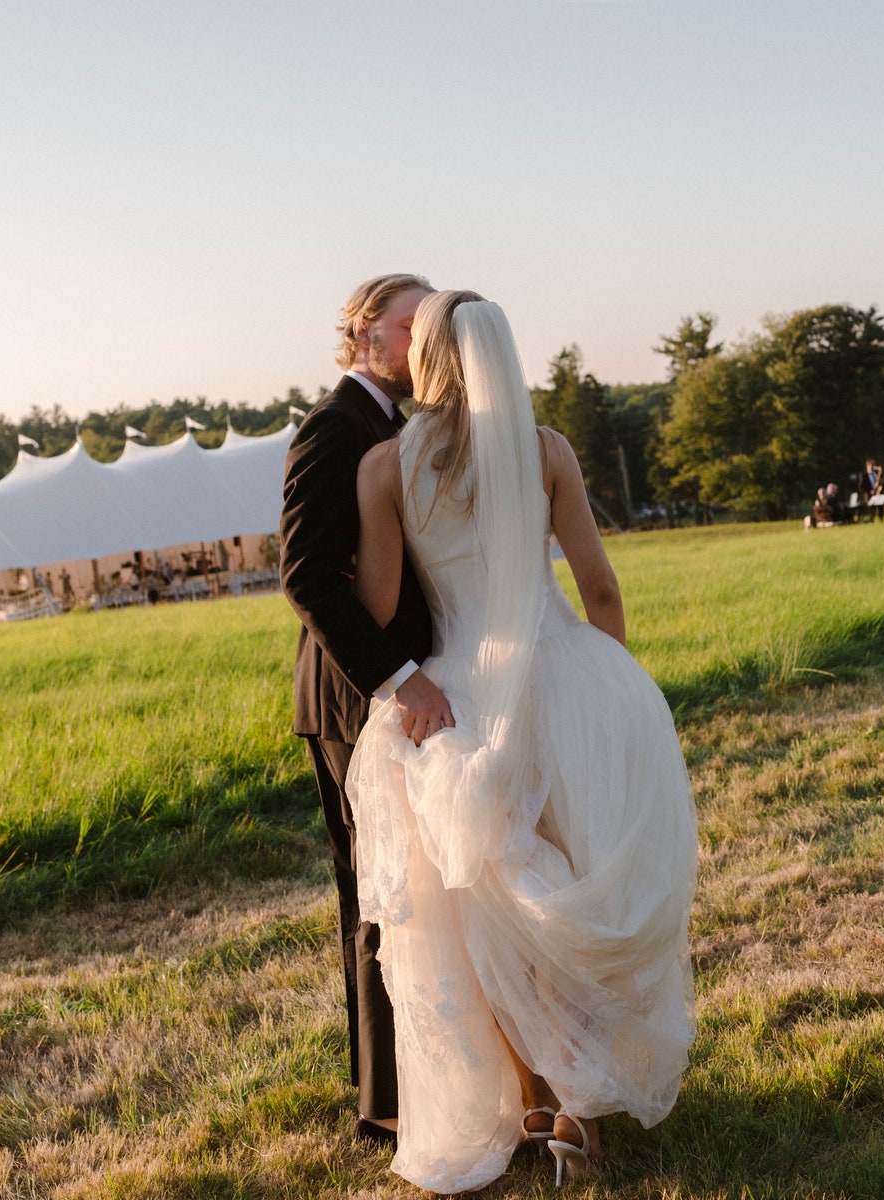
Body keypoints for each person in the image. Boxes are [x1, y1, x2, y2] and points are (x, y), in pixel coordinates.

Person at [347, 292, 697, 1192]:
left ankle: (539, 1097)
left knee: (484, 904)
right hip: (558, 680)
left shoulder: (386, 469)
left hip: (458, 702)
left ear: (422, 358)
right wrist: (608, 691)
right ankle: (579, 1097)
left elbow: (384, 614)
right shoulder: (545, 454)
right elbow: (600, 589)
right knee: (565, 877)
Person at [280, 273, 453, 1145]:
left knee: (417, 890)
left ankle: (424, 1083)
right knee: (379, 895)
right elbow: (306, 578)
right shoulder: (333, 428)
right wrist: (400, 677)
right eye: (407, 324)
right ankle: (382, 1109)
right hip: (356, 699)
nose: (423, 340)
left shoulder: (398, 427)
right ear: (362, 332)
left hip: (401, 689)